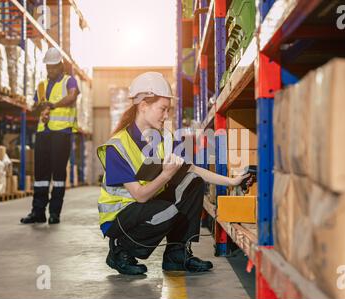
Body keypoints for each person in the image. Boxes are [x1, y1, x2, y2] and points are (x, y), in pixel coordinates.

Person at [97, 72, 250, 275]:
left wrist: (233, 181)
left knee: (193, 181)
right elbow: (140, 196)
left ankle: (176, 254)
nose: (166, 115)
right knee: (168, 211)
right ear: (143, 106)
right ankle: (121, 250)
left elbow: (194, 169)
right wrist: (166, 175)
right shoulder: (116, 147)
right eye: (162, 109)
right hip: (119, 218)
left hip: (147, 205)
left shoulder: (164, 138)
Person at [20, 48, 80, 225]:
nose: (50, 70)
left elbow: (72, 97)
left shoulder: (70, 81)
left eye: (53, 67)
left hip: (62, 133)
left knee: (59, 174)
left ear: (61, 66)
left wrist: (52, 106)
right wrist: (41, 109)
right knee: (40, 174)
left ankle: (55, 213)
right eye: (48, 67)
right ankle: (38, 212)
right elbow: (35, 107)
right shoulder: (41, 85)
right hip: (43, 133)